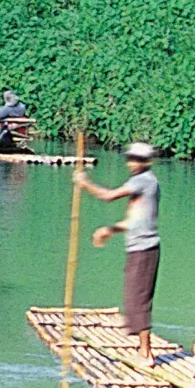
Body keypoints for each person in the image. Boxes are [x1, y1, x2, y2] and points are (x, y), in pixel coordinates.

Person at [75, 142, 162, 361]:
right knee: (133, 295)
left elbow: (108, 196)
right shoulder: (146, 184)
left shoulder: (143, 181)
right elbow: (134, 220)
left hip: (144, 248)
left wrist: (85, 184)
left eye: (137, 160)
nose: (132, 164)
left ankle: (146, 353)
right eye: (130, 159)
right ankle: (142, 346)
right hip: (139, 248)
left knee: (139, 298)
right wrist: (110, 230)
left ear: (146, 162)